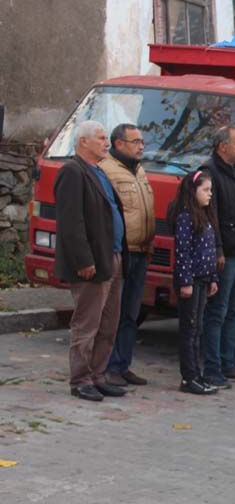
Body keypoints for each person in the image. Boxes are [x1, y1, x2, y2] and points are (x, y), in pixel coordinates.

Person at [54, 121, 128, 402]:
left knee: (109, 323)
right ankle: (81, 379)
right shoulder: (73, 172)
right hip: (92, 262)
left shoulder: (99, 172)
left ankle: (98, 374)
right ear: (83, 141)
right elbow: (71, 222)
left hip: (114, 256)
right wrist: (84, 259)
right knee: (87, 324)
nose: (106, 143)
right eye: (100, 138)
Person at [100, 123, 154, 388]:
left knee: (131, 314)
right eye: (135, 142)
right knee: (113, 313)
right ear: (119, 144)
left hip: (142, 251)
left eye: (142, 141)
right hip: (121, 252)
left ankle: (123, 365)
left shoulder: (139, 169)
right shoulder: (106, 170)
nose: (141, 146)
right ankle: (107, 366)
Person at [201, 126, 235, 388]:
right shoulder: (211, 172)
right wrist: (218, 250)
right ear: (223, 146)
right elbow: (213, 217)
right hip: (225, 253)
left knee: (233, 309)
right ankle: (212, 367)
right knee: (218, 310)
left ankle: (228, 361)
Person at [170, 170, 220, 395]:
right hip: (190, 280)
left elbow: (209, 251)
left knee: (197, 327)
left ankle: (196, 374)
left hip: (203, 278)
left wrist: (213, 278)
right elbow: (183, 251)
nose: (210, 195)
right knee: (189, 328)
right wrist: (185, 281)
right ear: (193, 191)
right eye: (206, 190)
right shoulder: (185, 216)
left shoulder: (205, 215)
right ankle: (188, 376)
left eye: (211, 190)